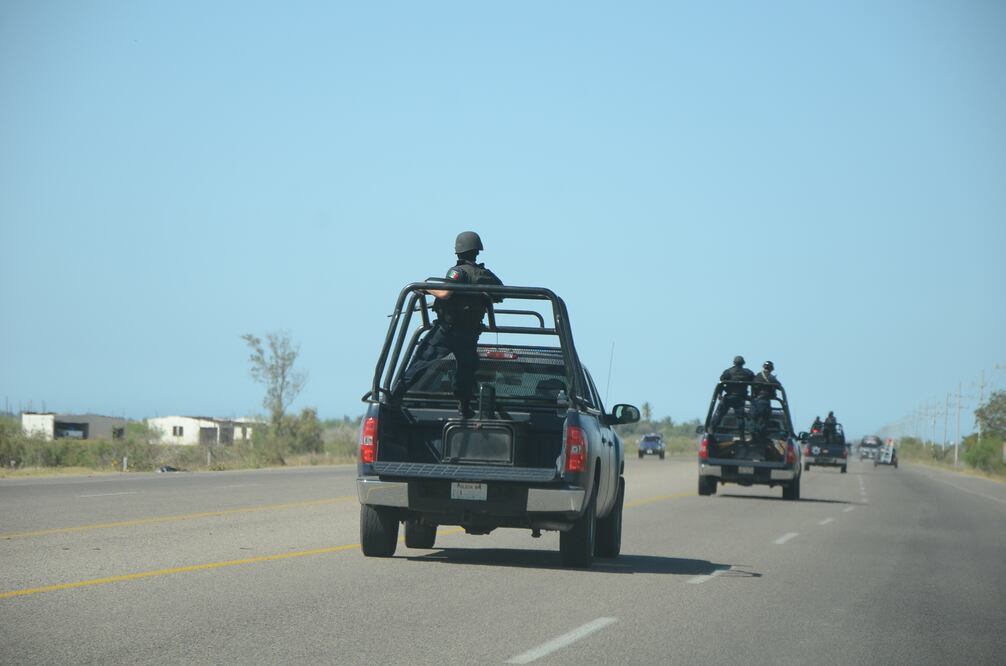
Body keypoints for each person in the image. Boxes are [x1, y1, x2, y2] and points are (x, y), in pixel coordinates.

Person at [393, 231, 503, 418]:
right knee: (465, 371)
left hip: (447, 332)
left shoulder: (457, 272)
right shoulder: (485, 275)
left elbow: (445, 294)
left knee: (421, 361)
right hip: (470, 334)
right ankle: (464, 406)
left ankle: (395, 397)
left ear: (458, 252)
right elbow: (500, 294)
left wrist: (425, 287)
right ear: (477, 251)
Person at [710, 356, 754, 435]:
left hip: (729, 398)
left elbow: (721, 383)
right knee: (740, 417)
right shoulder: (748, 373)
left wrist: (719, 394)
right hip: (740, 399)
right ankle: (742, 435)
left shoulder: (728, 372)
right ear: (743, 363)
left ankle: (712, 429)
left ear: (734, 363)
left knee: (719, 414)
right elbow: (754, 381)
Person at [751, 361, 782, 441]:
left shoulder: (757, 376)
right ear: (771, 368)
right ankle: (759, 439)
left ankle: (753, 436)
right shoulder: (771, 377)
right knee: (763, 421)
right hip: (763, 402)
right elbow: (779, 386)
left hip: (755, 402)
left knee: (754, 420)